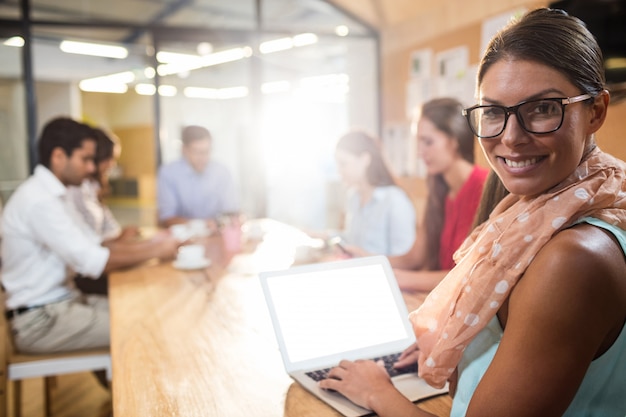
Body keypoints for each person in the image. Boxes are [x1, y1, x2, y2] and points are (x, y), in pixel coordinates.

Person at [319, 8, 626, 416]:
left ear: (596, 112)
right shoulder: (542, 208)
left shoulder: (572, 259)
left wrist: (377, 391)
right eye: (494, 112)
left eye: (543, 109)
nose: (511, 138)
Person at [1, 117, 180, 354]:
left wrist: (156, 245)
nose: (92, 168)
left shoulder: (57, 195)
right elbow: (94, 261)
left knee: (147, 310)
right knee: (147, 327)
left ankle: (118, 388)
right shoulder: (39, 201)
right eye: (85, 159)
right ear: (58, 156)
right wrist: (158, 249)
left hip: (63, 303)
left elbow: (97, 244)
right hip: (41, 319)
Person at [391, 97, 488, 291]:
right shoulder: (439, 188)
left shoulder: (486, 187)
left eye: (427, 142)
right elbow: (415, 257)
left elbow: (471, 274)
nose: (420, 152)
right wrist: (366, 258)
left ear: (454, 141)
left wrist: (397, 279)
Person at [334, 129, 416, 256]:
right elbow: (351, 238)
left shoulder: (395, 200)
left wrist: (366, 257)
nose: (339, 171)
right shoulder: (353, 197)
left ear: (365, 159)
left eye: (343, 164)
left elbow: (403, 260)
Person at [157, 125, 240, 230]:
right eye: (197, 152)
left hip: (216, 237)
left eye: (206, 151)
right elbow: (167, 218)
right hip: (182, 240)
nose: (203, 158)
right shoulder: (168, 173)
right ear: (184, 150)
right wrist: (202, 225)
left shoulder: (222, 172)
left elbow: (232, 212)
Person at [67, 127, 138, 243]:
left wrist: (122, 235)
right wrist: (119, 238)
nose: (112, 165)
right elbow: (84, 242)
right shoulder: (75, 188)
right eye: (110, 159)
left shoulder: (94, 185)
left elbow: (110, 225)